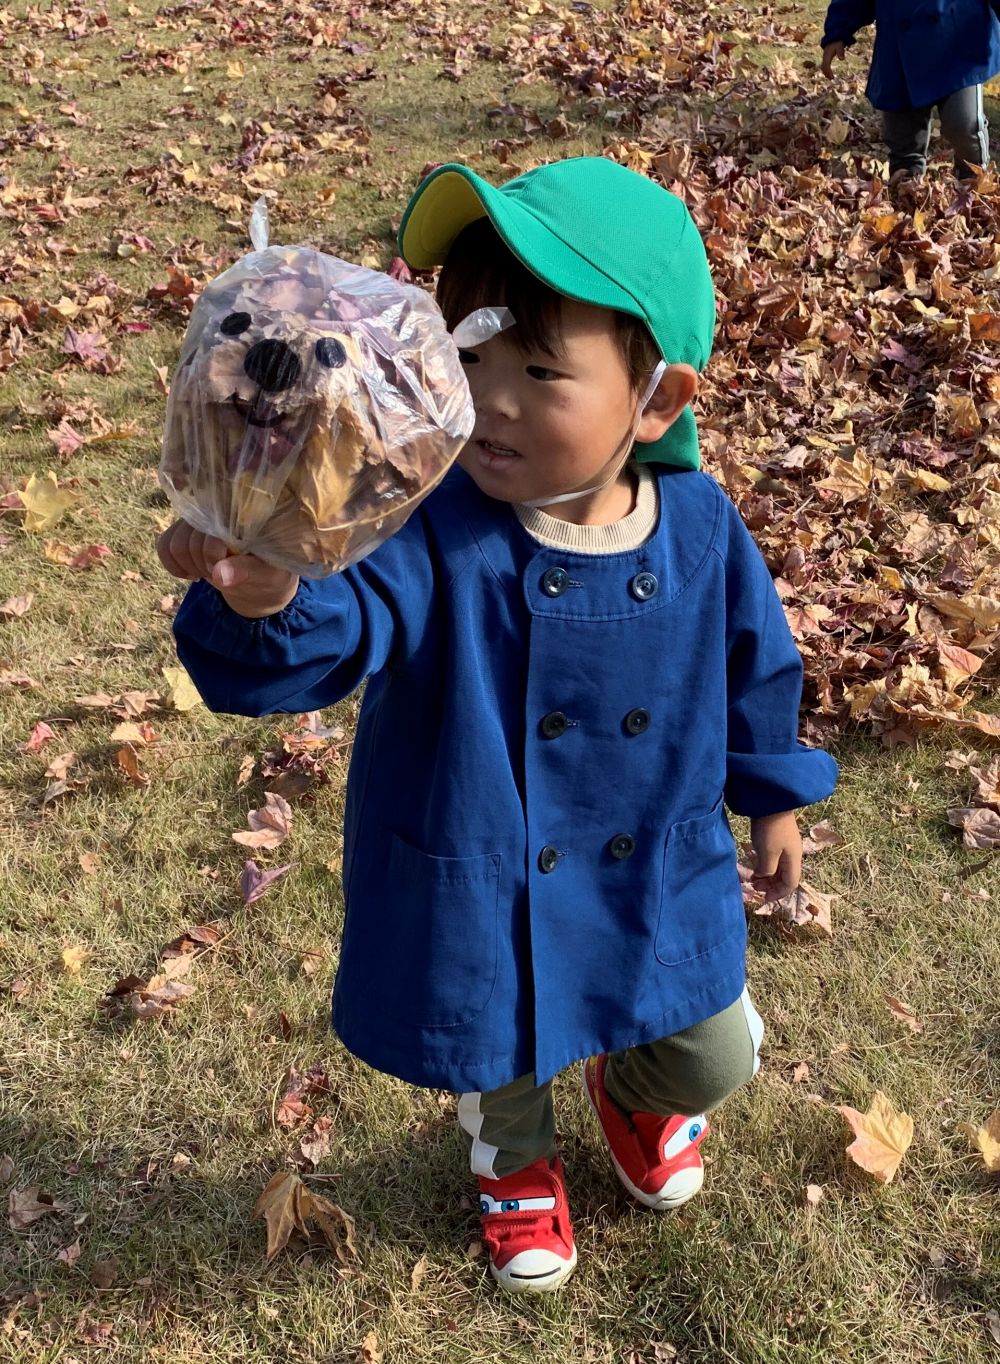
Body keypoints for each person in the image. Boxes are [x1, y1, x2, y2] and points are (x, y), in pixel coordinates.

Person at [157, 157, 838, 1294]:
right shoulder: (430, 527)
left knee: (713, 1046)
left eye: (537, 368)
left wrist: (770, 791)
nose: (492, 397)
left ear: (657, 401)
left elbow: (756, 661)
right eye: (468, 358)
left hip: (650, 864)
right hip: (486, 863)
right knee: (500, 1037)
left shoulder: (703, 529)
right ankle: (511, 1156)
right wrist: (267, 591)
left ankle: (630, 1094)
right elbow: (338, 623)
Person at [820, 0, 1000, 181]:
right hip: (899, 50)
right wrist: (838, 30)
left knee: (962, 124)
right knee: (904, 139)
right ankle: (908, 189)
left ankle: (973, 178)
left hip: (958, 42)